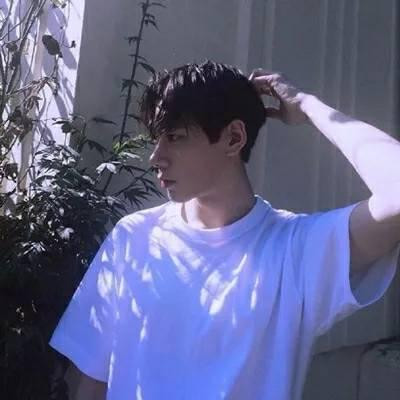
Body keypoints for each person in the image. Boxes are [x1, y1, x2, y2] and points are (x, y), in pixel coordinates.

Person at [49, 60, 400, 400]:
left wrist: (308, 106)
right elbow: (92, 380)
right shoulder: (134, 238)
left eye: (175, 137)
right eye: (157, 138)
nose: (156, 157)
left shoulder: (295, 251)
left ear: (234, 137)